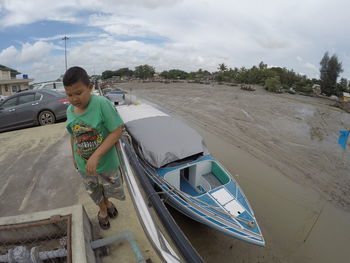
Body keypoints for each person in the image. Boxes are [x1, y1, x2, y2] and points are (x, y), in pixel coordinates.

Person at [64, 66, 125, 230]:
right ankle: (103, 210)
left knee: (109, 188)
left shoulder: (102, 104)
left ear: (90, 87)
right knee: (94, 191)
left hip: (105, 164)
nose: (74, 99)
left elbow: (117, 130)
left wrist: (96, 155)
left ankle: (108, 202)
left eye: (78, 93)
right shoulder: (70, 110)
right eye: (69, 94)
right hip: (85, 166)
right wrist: (73, 157)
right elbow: (73, 134)